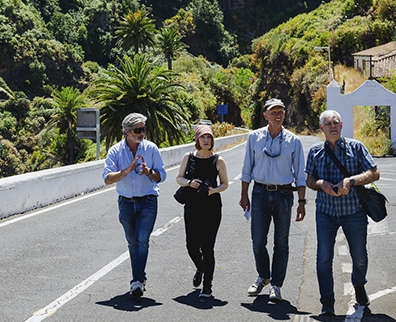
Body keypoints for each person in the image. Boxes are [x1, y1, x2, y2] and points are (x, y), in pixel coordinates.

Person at [305, 110, 380, 316]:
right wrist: (321, 184)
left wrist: (351, 181)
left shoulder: (356, 148)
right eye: (328, 124)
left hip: (353, 211)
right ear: (321, 128)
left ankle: (359, 285)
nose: (333, 126)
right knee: (323, 258)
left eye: (336, 122)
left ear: (342, 124)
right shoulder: (315, 152)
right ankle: (327, 303)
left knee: (360, 256)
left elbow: (374, 173)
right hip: (326, 212)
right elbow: (309, 180)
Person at [239, 98, 306, 303]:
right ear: (265, 115)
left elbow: (300, 174)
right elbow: (246, 169)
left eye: (281, 111)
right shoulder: (254, 137)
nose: (278, 114)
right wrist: (244, 195)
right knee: (258, 241)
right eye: (273, 111)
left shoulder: (294, 141)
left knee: (281, 243)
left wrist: (302, 201)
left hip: (284, 195)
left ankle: (276, 285)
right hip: (259, 193)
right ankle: (263, 276)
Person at [103, 113, 167, 297]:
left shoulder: (151, 149)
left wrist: (149, 172)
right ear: (127, 132)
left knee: (142, 240)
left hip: (148, 200)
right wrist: (127, 170)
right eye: (138, 130)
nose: (142, 133)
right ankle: (140, 277)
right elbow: (107, 178)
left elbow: (162, 175)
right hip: (125, 203)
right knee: (132, 243)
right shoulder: (115, 151)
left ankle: (136, 281)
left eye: (143, 129)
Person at [174, 124, 229, 298]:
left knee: (207, 247)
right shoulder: (188, 157)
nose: (206, 140)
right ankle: (200, 267)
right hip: (192, 206)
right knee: (191, 245)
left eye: (209, 137)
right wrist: (190, 183)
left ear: (212, 140)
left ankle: (207, 287)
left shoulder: (218, 160)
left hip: (211, 207)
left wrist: (214, 190)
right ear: (197, 139)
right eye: (203, 137)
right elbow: (179, 178)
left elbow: (225, 184)